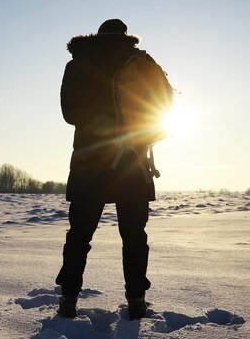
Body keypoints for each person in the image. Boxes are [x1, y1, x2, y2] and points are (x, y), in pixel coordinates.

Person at [56, 19, 156, 320]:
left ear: (96, 36)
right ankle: (136, 300)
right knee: (135, 236)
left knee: (79, 237)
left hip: (90, 163)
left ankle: (68, 300)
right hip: (133, 162)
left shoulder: (79, 63)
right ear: (126, 37)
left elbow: (69, 113)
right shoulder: (142, 62)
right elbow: (163, 110)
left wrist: (99, 124)